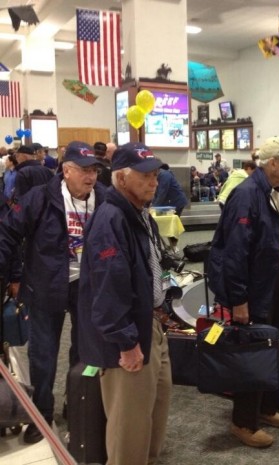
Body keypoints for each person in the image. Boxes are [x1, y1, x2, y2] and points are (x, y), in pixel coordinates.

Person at [0, 141, 107, 444]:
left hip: (88, 287)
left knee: (84, 353)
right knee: (43, 356)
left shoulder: (105, 199)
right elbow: (8, 233)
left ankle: (78, 406)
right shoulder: (41, 198)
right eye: (84, 170)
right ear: (67, 170)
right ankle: (41, 415)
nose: (91, 176)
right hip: (45, 285)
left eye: (94, 170)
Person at [208, 136, 279, 448]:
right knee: (253, 351)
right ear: (272, 163)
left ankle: (265, 408)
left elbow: (269, 237)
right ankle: (243, 422)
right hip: (253, 287)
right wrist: (239, 299)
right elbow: (235, 252)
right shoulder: (246, 195)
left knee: (273, 346)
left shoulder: (275, 193)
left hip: (276, 278)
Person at [77, 142, 172, 465]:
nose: (153, 182)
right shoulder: (111, 219)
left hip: (151, 325)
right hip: (128, 339)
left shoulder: (139, 215)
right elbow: (108, 288)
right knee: (128, 427)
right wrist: (126, 341)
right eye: (145, 176)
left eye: (156, 175)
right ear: (120, 178)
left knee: (151, 417)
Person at [153, 165, 189, 253]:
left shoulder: (164, 175)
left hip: (177, 202)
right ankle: (171, 245)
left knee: (172, 224)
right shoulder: (158, 175)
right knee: (168, 224)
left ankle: (174, 247)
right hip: (169, 203)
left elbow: (162, 192)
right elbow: (156, 192)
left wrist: (154, 207)